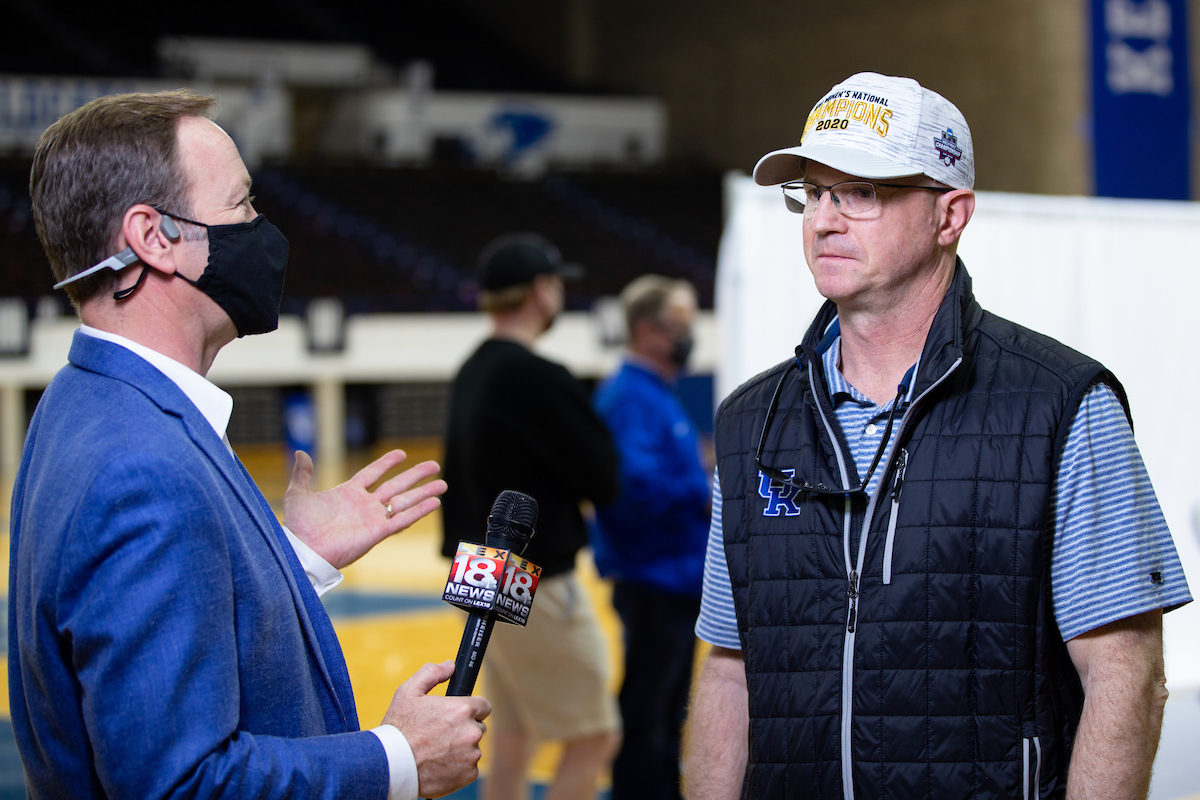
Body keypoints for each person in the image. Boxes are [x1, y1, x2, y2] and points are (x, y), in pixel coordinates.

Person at [683, 73, 1192, 799]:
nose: (825, 219)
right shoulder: (749, 422)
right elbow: (731, 668)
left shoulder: (1061, 403)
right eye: (814, 193)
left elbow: (1125, 673)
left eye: (861, 192)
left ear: (950, 215)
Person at [9, 90, 491, 800]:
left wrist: (290, 559)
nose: (262, 229)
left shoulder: (84, 400)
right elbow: (179, 784)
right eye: (241, 206)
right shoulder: (143, 467)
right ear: (154, 237)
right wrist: (397, 759)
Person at [440, 233, 622, 800]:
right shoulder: (538, 376)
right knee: (596, 735)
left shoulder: (472, 370)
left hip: (479, 576)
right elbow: (605, 479)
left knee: (513, 735)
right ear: (542, 291)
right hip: (534, 581)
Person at [592, 275, 711, 800]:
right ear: (646, 330)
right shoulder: (630, 398)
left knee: (666, 712)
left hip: (675, 578)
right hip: (652, 578)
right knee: (648, 715)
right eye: (678, 327)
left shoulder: (653, 394)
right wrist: (699, 488)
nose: (688, 337)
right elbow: (635, 491)